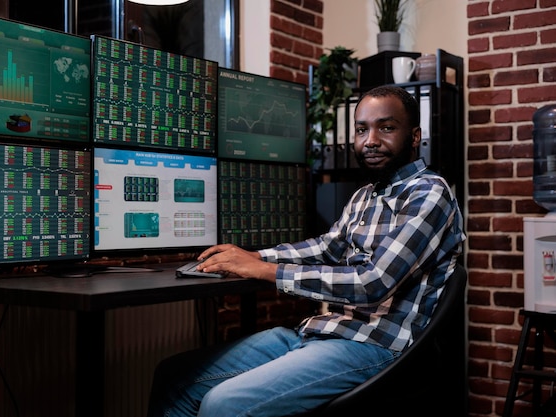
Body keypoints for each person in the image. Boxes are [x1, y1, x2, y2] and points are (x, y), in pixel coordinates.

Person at [146, 85, 466, 417]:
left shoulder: (429, 193)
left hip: (374, 345)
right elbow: (326, 248)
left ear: (414, 137)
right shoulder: (365, 196)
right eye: (361, 129)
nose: (370, 140)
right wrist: (254, 257)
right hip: (323, 330)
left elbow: (372, 283)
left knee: (222, 404)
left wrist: (266, 271)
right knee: (174, 377)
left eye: (386, 127)